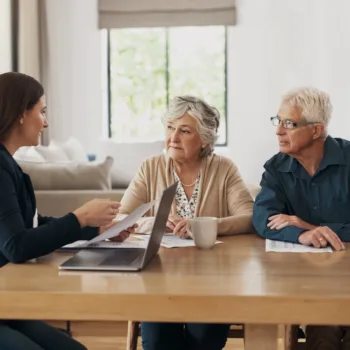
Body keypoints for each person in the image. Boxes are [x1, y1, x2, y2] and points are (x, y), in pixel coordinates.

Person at [0, 72, 135, 350]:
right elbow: (16, 246)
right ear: (20, 114)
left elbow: (32, 225)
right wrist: (80, 217)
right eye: (42, 111)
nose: (46, 122)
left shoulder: (9, 165)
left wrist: (96, 229)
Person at [118, 95, 254, 350]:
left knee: (203, 339)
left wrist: (204, 224)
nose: (173, 137)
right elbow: (121, 219)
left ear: (204, 139)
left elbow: (249, 217)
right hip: (158, 280)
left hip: (212, 281)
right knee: (158, 342)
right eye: (170, 128)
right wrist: (156, 224)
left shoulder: (224, 169)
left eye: (184, 131)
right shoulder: (150, 167)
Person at [253, 87, 350, 350]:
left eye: (289, 124)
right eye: (278, 121)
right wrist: (302, 234)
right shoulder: (276, 167)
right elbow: (263, 217)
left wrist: (313, 228)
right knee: (322, 337)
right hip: (310, 281)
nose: (278, 131)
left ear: (316, 130)